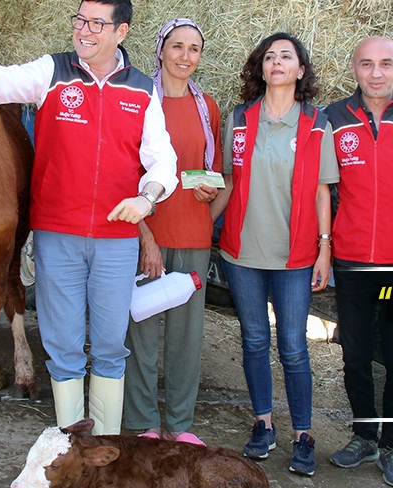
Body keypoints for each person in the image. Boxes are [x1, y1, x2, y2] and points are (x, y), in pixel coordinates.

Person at [0, 0, 178, 436]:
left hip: (116, 240)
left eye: (97, 24)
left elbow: (164, 161)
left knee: (110, 348)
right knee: (64, 348)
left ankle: (103, 448)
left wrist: (147, 198)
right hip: (57, 237)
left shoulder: (142, 90)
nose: (84, 31)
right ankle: (70, 448)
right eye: (80, 20)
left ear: (121, 32)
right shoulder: (54, 72)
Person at [220, 32, 338, 477]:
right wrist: (200, 222)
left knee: (293, 347)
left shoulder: (317, 123)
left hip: (295, 256)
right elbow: (227, 181)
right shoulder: (239, 119)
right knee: (253, 340)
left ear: (300, 70)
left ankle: (303, 435)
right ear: (261, 67)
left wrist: (324, 249)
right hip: (243, 253)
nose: (277, 62)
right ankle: (263, 424)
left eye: (286, 56)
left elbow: (323, 192)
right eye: (269, 56)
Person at [324, 36, 393, 488]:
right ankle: (364, 434)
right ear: (354, 68)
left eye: (385, 64)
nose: (376, 73)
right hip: (352, 258)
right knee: (354, 354)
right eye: (367, 64)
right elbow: (321, 186)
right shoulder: (334, 117)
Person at [123, 17, 226, 446]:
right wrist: (145, 237)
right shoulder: (140, 100)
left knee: (187, 340)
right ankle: (144, 422)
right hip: (148, 235)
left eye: (194, 49)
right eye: (178, 46)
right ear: (161, 50)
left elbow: (214, 172)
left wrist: (209, 199)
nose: (185, 56)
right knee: (141, 334)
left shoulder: (208, 107)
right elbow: (125, 174)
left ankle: (180, 425)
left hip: (193, 238)